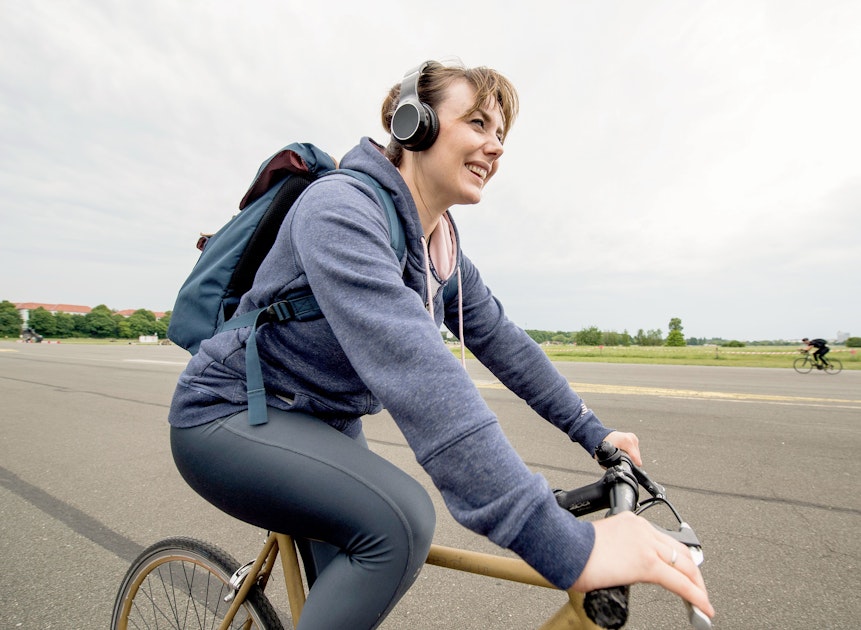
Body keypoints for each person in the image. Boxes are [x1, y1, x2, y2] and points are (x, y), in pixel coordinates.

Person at [168, 60, 714, 629]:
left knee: (354, 595)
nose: (495, 146)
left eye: (500, 134)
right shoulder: (340, 210)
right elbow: (419, 372)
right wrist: (568, 547)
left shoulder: (440, 250)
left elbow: (506, 344)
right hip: (229, 414)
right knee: (400, 524)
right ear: (415, 125)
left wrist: (594, 432)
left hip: (322, 423)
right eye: (477, 123)